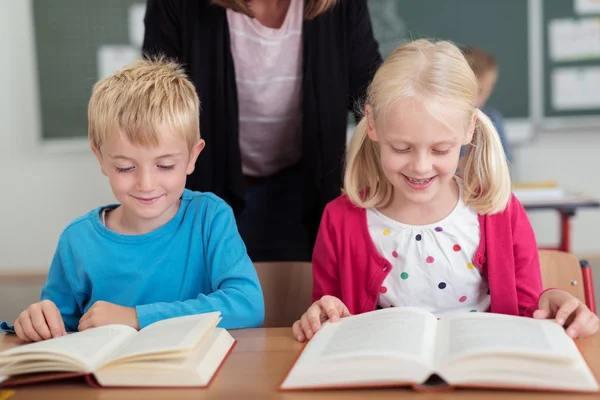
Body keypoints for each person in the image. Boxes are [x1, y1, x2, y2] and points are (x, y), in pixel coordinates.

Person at [292, 39, 599, 342]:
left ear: (469, 129)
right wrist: (322, 314)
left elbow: (527, 311)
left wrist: (552, 300)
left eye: (440, 150)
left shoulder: (499, 213)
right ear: (372, 124)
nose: (421, 167)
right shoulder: (339, 220)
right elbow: (329, 315)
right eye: (401, 148)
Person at [1, 58, 264, 342]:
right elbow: (56, 329)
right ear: (100, 159)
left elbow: (247, 305)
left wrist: (136, 317)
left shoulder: (209, 217)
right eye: (126, 168)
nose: (146, 184)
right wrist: (36, 322)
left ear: (192, 157)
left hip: (198, 381)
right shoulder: (77, 241)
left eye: (164, 166)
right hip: (109, 384)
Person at [142, 0, 382, 262]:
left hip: (307, 192)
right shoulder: (175, 6)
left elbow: (372, 98)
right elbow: (158, 107)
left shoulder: (343, 6)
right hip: (208, 194)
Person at [463, 46, 512, 164]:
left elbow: (504, 164)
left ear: (490, 90)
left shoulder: (492, 120)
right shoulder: (444, 119)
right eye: (467, 90)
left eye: (479, 91)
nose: (472, 100)